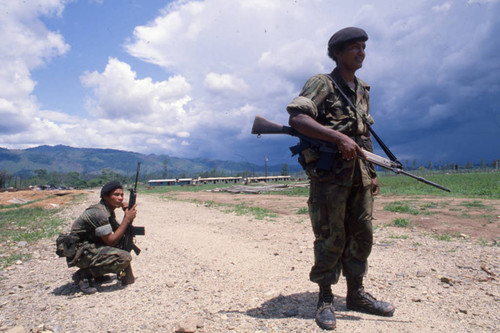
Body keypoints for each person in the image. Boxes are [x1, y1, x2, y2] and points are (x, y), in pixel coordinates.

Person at [286, 27, 395, 330]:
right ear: (337, 53)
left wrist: (372, 173)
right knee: (330, 235)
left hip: (359, 176)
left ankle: (356, 294)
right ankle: (325, 299)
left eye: (363, 47)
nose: (361, 52)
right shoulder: (323, 83)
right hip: (330, 176)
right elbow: (297, 117)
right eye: (354, 48)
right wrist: (337, 138)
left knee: (362, 234)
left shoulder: (362, 89)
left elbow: (363, 135)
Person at [66, 180, 138, 294]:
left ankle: (97, 274)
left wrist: (127, 215)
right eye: (116, 195)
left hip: (88, 247)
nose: (120, 198)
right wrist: (127, 219)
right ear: (105, 197)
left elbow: (117, 232)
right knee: (124, 257)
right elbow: (111, 241)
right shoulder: (99, 213)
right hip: (78, 252)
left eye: (122, 195)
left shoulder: (108, 210)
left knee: (121, 242)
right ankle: (83, 275)